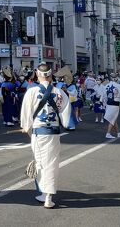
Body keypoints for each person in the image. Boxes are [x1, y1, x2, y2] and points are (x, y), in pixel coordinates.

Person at [20, 63, 71, 209]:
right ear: (50, 74)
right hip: (53, 133)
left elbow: (26, 114)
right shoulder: (60, 92)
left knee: (40, 163)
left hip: (38, 132)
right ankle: (48, 195)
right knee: (52, 164)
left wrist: (26, 127)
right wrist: (65, 123)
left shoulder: (31, 92)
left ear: (37, 74)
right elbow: (66, 116)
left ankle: (45, 194)